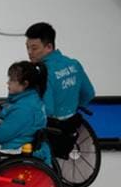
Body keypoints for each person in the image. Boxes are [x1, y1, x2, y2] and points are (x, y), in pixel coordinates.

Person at [25, 22, 95, 157]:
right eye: (27, 47)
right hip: (72, 124)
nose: (29, 53)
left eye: (34, 48)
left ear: (49, 47)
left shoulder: (43, 72)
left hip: (52, 130)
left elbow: (47, 110)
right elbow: (89, 93)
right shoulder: (74, 64)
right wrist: (72, 107)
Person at [0, 60, 51, 171]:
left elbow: (0, 136)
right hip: (14, 145)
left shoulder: (24, 109)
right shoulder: (26, 101)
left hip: (10, 152)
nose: (8, 83)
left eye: (12, 80)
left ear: (25, 84)